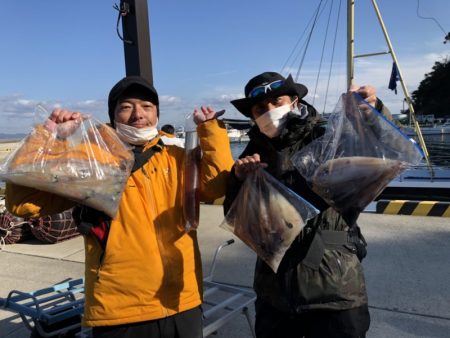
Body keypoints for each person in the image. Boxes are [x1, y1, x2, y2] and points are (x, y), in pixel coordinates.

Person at [5, 75, 234, 338]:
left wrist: (211, 132)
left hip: (184, 300)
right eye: (126, 107)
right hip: (121, 310)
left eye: (147, 107)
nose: (138, 114)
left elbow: (216, 187)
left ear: (157, 113)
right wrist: (49, 140)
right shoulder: (92, 163)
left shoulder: (177, 158)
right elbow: (22, 205)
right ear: (113, 116)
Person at [224, 72, 391, 338]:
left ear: (294, 101)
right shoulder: (250, 154)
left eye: (276, 101)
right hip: (274, 292)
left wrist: (373, 113)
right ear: (252, 115)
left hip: (334, 286)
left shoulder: (328, 135)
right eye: (260, 108)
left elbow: (384, 151)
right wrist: (237, 180)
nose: (270, 110)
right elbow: (238, 218)